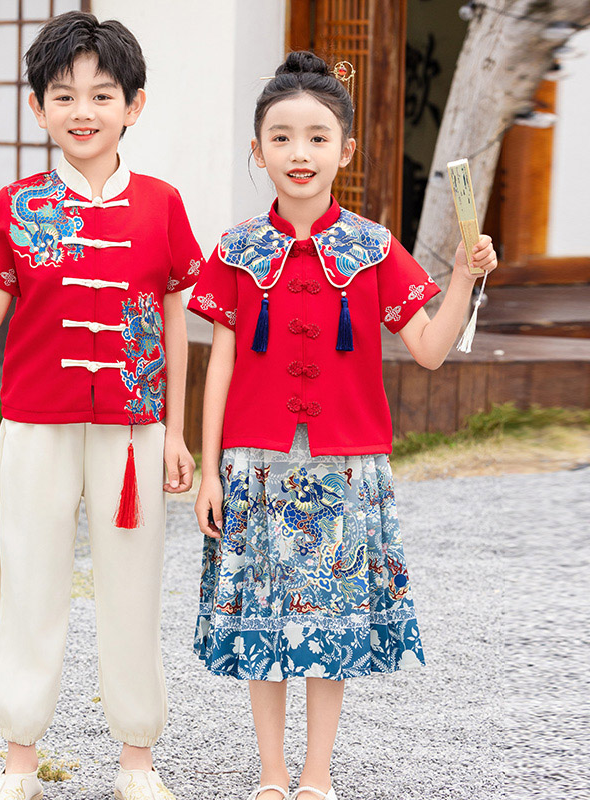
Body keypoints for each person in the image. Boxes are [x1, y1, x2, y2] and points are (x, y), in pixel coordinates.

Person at [189, 51, 497, 800]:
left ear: (346, 151)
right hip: (255, 464)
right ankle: (269, 774)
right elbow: (220, 365)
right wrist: (207, 467)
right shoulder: (234, 249)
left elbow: (426, 348)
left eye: (318, 137)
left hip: (346, 464)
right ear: (256, 150)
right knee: (263, 623)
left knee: (331, 628)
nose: (301, 153)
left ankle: (318, 774)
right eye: (282, 137)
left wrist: (462, 278)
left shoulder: (373, 247)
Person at [0, 11, 202, 800]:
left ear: (133, 106)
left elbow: (178, 316)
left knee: (134, 584)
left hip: (134, 430)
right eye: (63, 94)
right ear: (39, 108)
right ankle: (19, 762)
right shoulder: (12, 205)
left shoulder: (163, 204)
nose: (83, 110)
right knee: (29, 579)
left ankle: (136, 759)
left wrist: (177, 433)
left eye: (102, 94)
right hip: (36, 423)